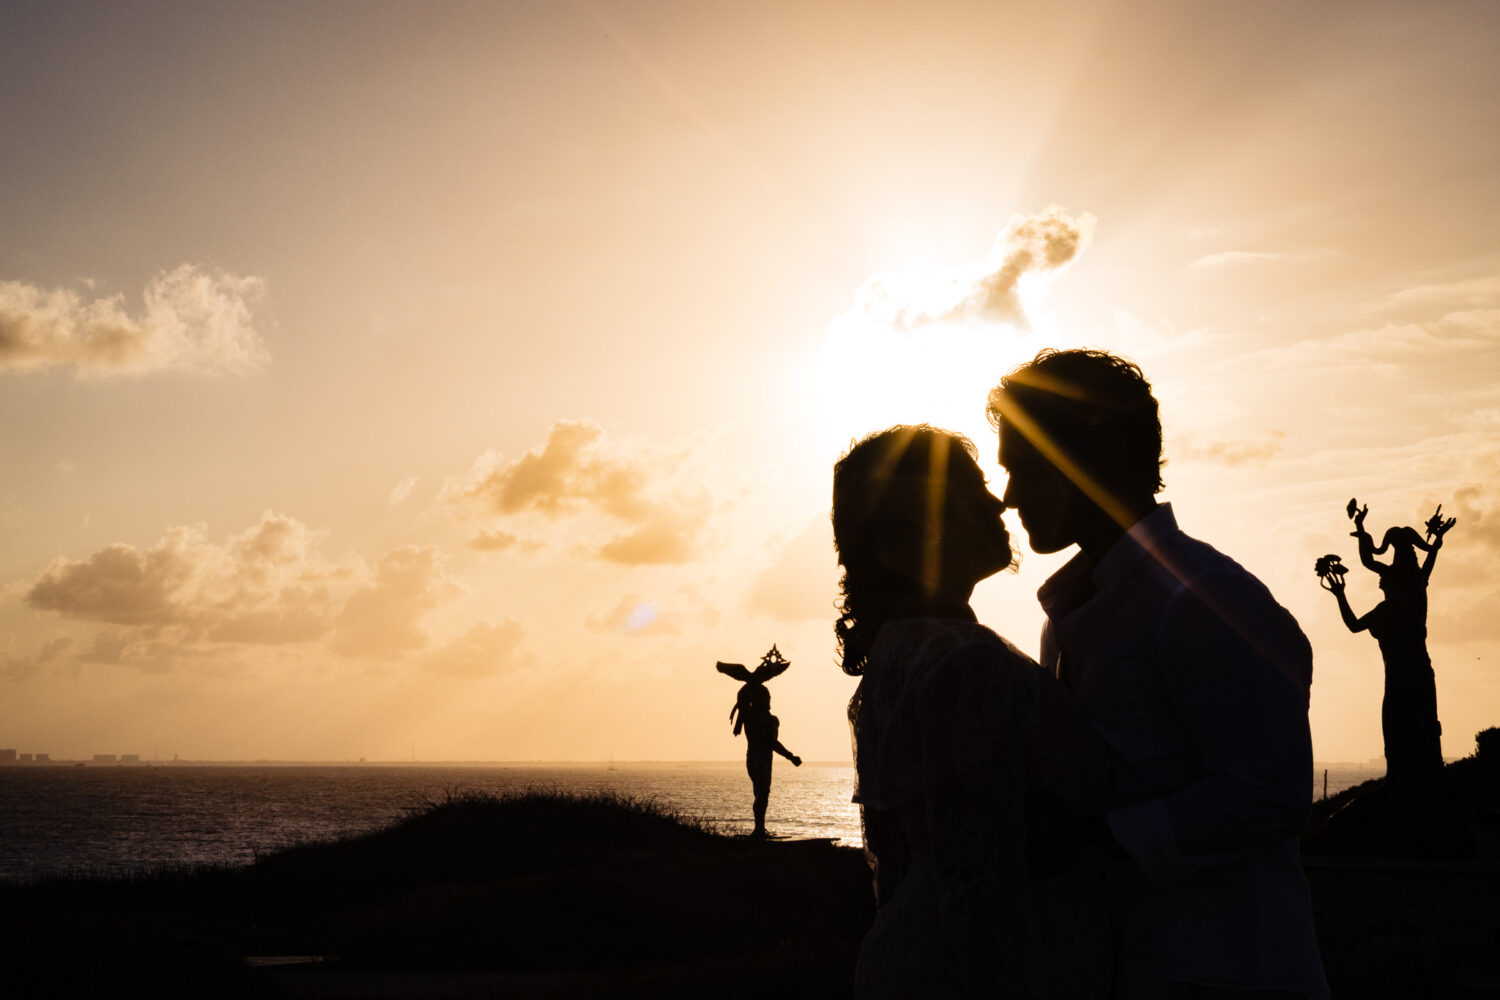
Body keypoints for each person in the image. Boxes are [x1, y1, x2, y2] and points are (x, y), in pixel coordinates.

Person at [987, 349, 1328, 1000]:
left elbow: (1272, 792)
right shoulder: (1072, 615)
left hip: (1234, 975)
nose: (1009, 497)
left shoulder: (1206, 598)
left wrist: (1098, 840)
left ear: (1101, 457)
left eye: (1025, 468)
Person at [833, 424, 1111, 998]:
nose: (998, 502)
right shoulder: (962, 663)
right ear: (924, 518)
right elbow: (980, 878)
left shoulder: (901, 653)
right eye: (975, 487)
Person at [1318, 502, 1454, 795]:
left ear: (1391, 580)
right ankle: (1423, 779)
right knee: (1424, 725)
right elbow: (1427, 558)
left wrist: (1340, 594)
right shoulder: (1416, 593)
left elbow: (1354, 622)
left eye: (1385, 575)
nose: (1379, 577)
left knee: (1398, 726)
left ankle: (1406, 781)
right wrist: (1436, 541)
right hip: (1421, 674)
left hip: (1399, 679)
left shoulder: (1387, 610)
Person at [734, 683, 801, 837]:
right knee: (762, 793)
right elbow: (773, 743)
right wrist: (790, 756)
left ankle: (759, 828)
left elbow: (741, 698)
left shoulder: (749, 716)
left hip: (752, 759)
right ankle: (759, 830)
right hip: (761, 760)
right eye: (766, 698)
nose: (769, 700)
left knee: (760, 793)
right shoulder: (765, 720)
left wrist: (752, 683)